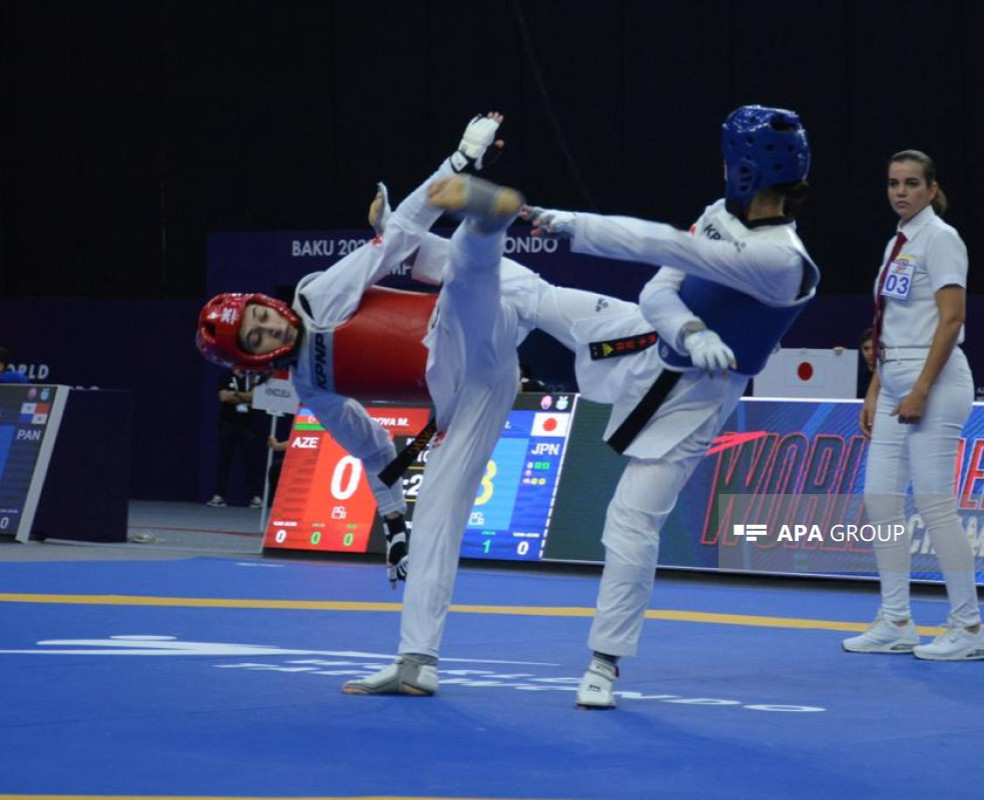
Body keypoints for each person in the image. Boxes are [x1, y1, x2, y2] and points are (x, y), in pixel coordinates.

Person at [197, 113, 650, 697]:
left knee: (467, 270)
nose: (270, 329)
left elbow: (399, 237)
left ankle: (493, 220)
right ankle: (417, 662)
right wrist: (393, 520)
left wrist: (458, 162)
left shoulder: (318, 295)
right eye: (257, 338)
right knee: (435, 512)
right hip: (473, 394)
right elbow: (374, 447)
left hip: (459, 329)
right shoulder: (312, 389)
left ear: (266, 302)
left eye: (261, 316)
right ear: (254, 361)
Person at [524, 104, 820, 708]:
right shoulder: (717, 215)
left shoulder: (781, 261)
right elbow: (657, 288)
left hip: (693, 401)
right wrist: (688, 330)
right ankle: (412, 243)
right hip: (641, 341)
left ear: (743, 168)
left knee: (631, 523)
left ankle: (603, 661)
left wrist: (566, 222)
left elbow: (652, 242)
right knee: (530, 293)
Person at [841, 149, 984, 661]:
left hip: (937, 381)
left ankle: (969, 629)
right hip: (894, 380)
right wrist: (875, 388)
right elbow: (889, 323)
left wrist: (921, 388)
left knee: (934, 503)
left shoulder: (942, 239)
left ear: (931, 189)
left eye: (910, 183)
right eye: (892, 183)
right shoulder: (895, 244)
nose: (900, 191)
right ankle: (897, 620)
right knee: (881, 499)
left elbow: (951, 320)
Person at [208, 369, 266, 508]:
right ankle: (219, 496)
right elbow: (223, 397)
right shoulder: (226, 376)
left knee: (251, 461)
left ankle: (256, 497)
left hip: (248, 425)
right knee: (224, 460)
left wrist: (234, 394)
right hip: (228, 424)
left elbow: (256, 398)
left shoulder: (253, 377)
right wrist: (245, 397)